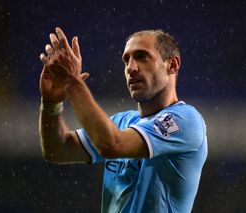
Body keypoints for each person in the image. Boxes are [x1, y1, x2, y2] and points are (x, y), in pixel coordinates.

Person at [39, 27, 208, 213]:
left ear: (172, 65)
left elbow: (112, 144)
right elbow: (58, 150)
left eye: (142, 57)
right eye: (126, 60)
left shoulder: (185, 120)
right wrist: (51, 103)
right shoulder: (121, 122)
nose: (131, 68)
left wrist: (72, 82)